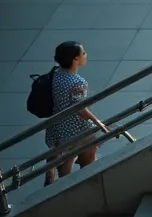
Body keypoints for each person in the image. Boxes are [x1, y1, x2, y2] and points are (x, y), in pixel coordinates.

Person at [45, 41, 108, 186]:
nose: (86, 55)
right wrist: (97, 122)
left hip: (57, 124)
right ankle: (85, 180)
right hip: (76, 127)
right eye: (83, 53)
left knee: (66, 156)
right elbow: (79, 108)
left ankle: (56, 179)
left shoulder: (56, 73)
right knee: (89, 148)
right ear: (75, 60)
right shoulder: (77, 82)